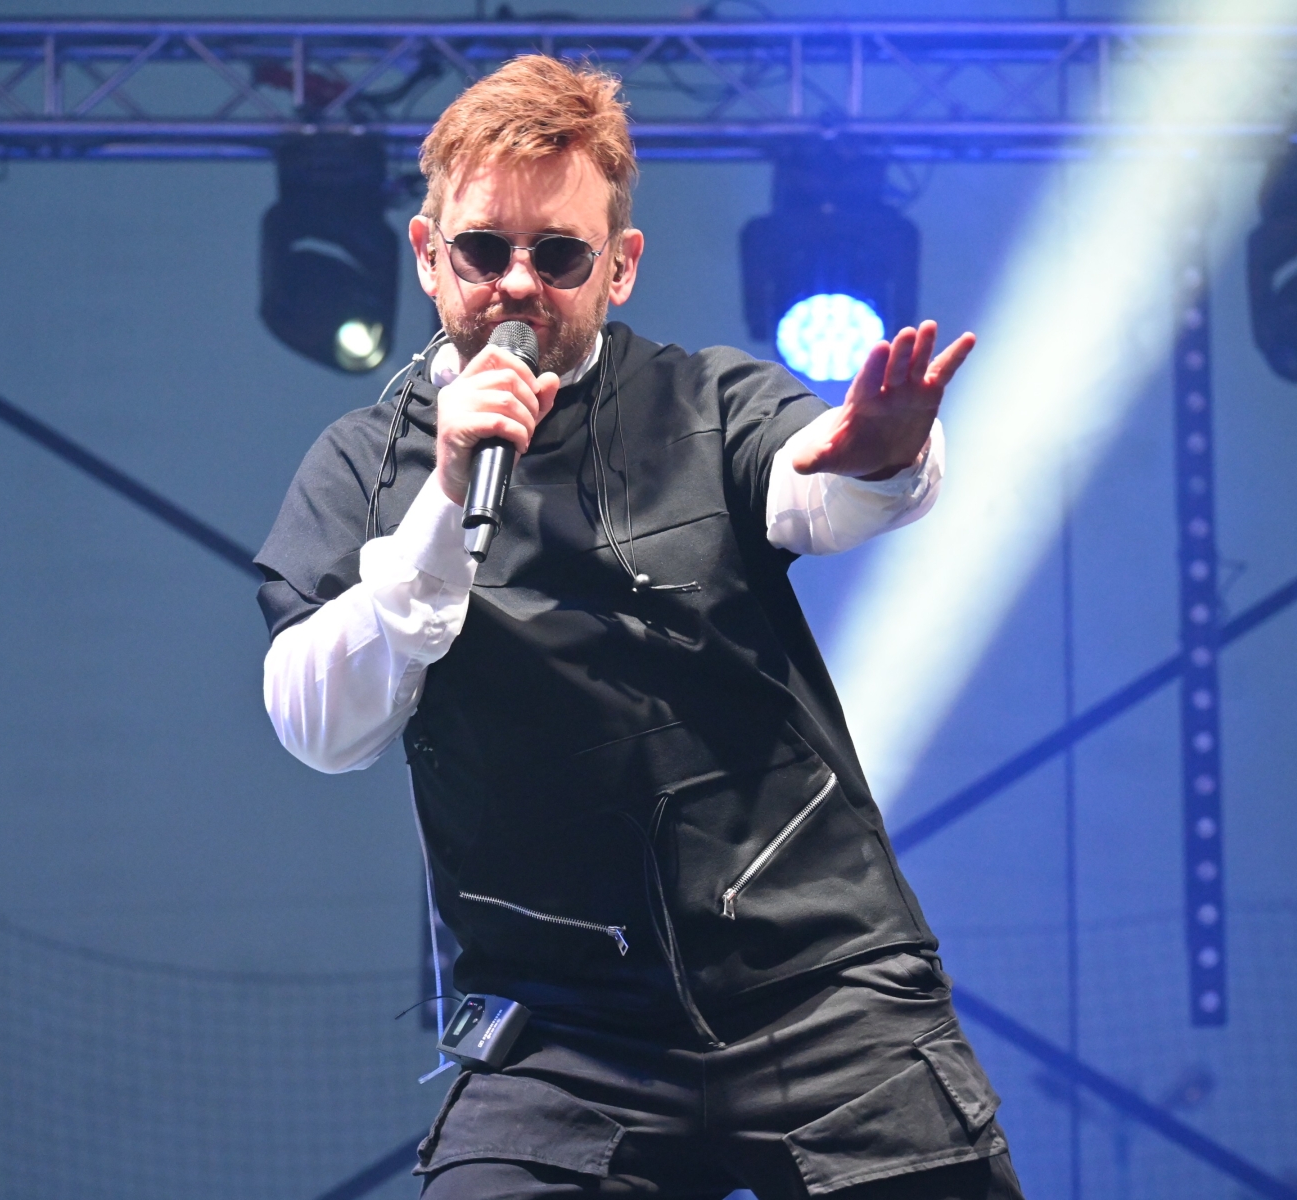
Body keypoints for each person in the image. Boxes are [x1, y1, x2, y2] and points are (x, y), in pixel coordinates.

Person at [255, 55, 1024, 1200]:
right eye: (483, 251)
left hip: (819, 987)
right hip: (562, 1032)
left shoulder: (705, 401)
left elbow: (816, 489)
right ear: (427, 254)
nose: (519, 284)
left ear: (618, 265)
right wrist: (443, 502)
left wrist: (881, 455)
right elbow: (321, 726)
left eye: (559, 255)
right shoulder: (364, 467)